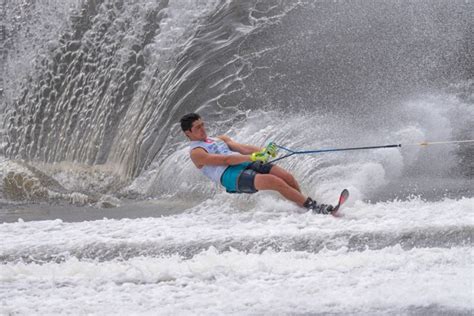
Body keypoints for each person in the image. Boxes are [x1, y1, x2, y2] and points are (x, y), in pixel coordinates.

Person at [180, 113, 334, 214]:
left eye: (203, 125)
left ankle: (303, 207)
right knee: (274, 181)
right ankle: (315, 208)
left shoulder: (220, 139)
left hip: (241, 163)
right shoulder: (197, 153)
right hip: (230, 175)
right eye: (198, 127)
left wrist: (264, 151)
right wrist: (253, 157)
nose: (203, 129)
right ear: (188, 133)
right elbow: (226, 160)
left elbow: (242, 148)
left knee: (287, 177)